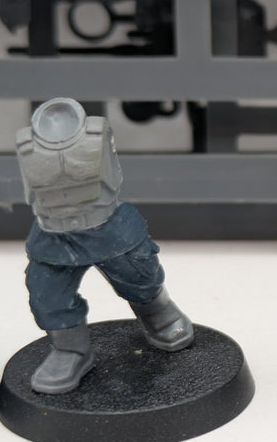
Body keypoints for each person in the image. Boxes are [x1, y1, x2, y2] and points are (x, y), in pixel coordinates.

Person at [17, 98, 193, 394]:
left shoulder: (96, 134)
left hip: (106, 227)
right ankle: (70, 350)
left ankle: (158, 313)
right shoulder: (26, 144)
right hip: (54, 235)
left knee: (140, 274)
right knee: (47, 293)